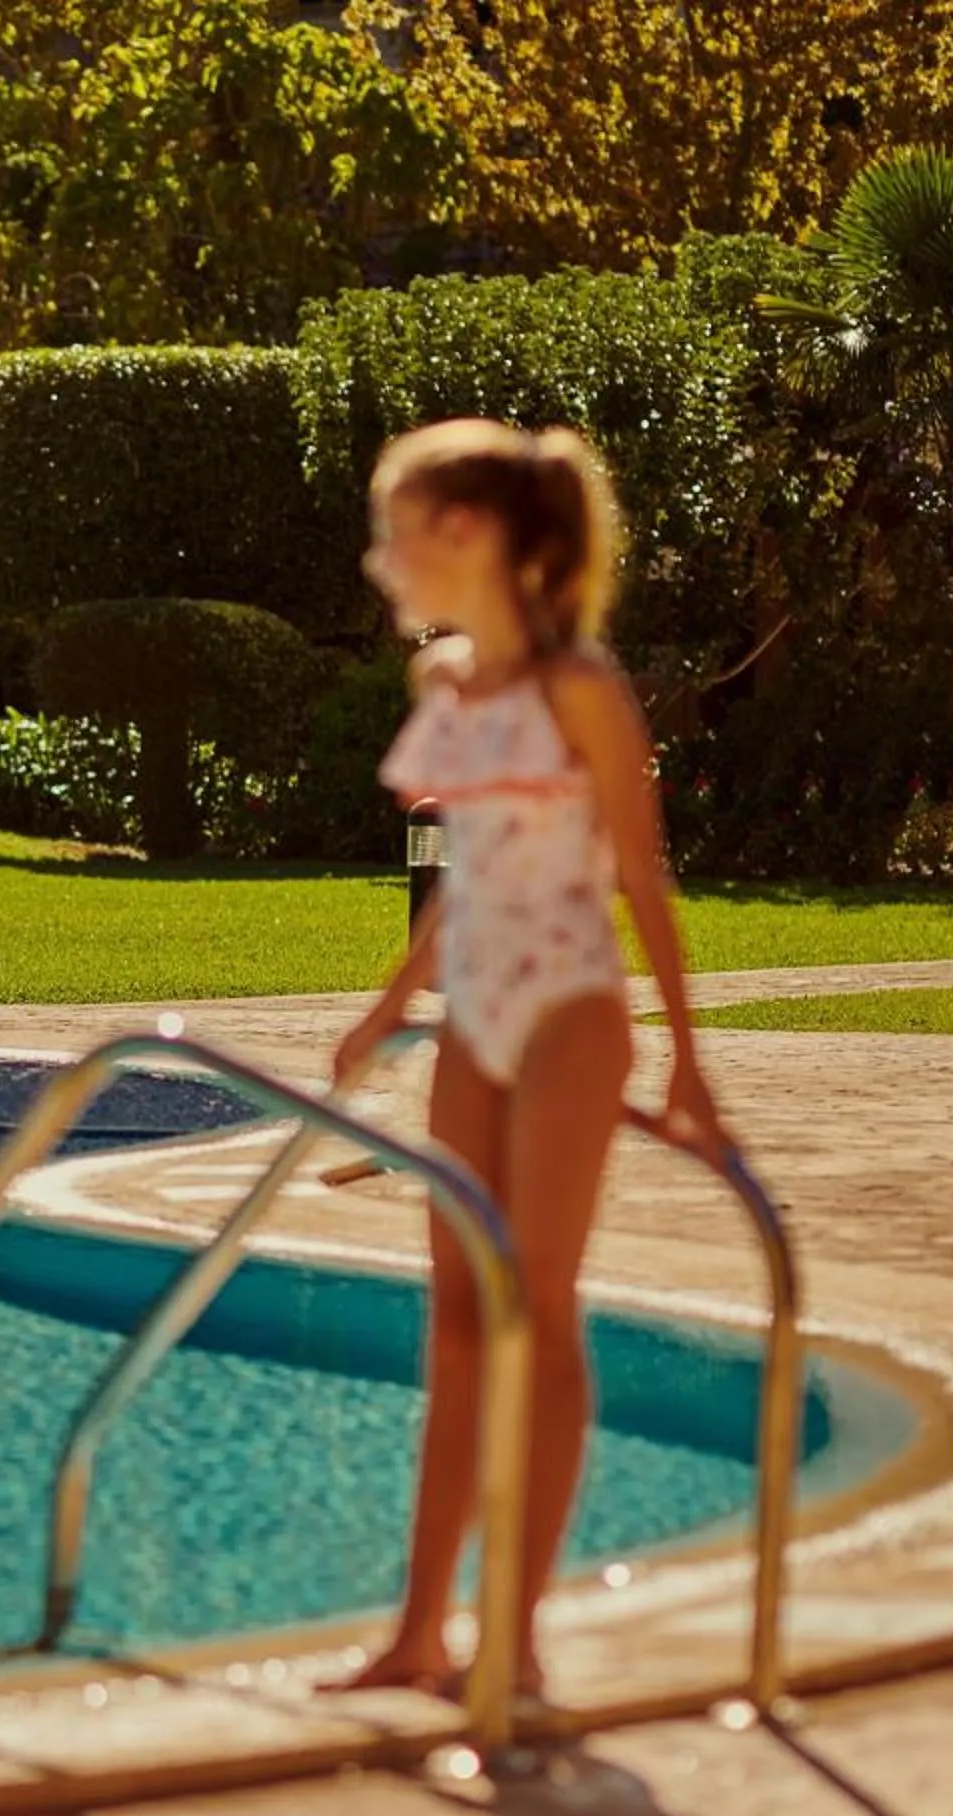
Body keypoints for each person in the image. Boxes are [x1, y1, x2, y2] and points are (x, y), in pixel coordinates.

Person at [330, 419, 729, 1708]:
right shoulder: (448, 683)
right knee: (454, 1317)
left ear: (468, 534)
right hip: (475, 1016)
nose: (381, 562)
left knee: (537, 1309)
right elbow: (470, 875)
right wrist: (387, 1006)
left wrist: (689, 1062)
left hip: (569, 1012)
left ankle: (514, 1635)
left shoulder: (580, 689)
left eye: (394, 533)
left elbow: (640, 876)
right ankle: (417, 1634)